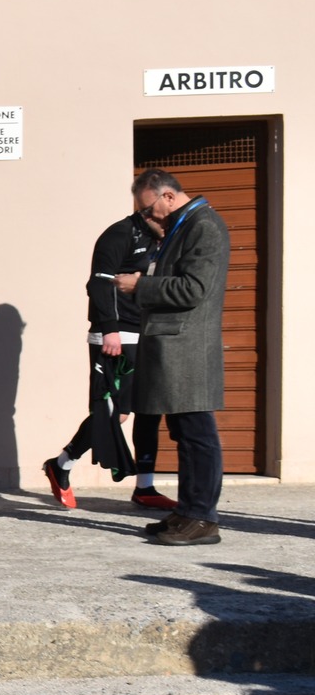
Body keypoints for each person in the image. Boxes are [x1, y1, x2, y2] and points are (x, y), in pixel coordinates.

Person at [119, 169, 232, 545]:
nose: (148, 218)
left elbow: (193, 289)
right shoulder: (182, 227)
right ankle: (187, 511)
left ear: (167, 196)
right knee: (185, 434)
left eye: (149, 209)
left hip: (189, 348)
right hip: (174, 346)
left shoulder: (204, 227)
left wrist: (140, 285)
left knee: (198, 434)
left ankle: (202, 517)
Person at [40, 201, 170, 512]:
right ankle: (62, 464)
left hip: (149, 332)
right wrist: (109, 329)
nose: (168, 222)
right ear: (147, 208)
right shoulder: (119, 235)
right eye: (163, 216)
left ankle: (145, 487)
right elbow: (98, 285)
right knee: (116, 413)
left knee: (150, 409)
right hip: (115, 335)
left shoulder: (164, 238)